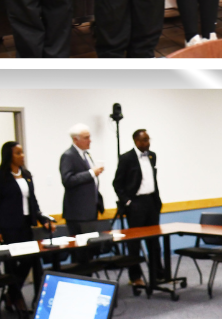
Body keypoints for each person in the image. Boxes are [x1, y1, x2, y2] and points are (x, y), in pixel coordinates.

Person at [0, 141, 53, 315]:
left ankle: (13, 294)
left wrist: (42, 218)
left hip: (26, 224)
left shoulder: (26, 174)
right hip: (8, 226)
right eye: (18, 153)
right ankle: (16, 298)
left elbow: (32, 200)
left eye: (22, 152)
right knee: (12, 263)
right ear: (9, 156)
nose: (22, 156)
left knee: (30, 260)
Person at [112, 129, 165, 292]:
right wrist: (127, 201)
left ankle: (158, 275)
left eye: (148, 140)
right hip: (135, 203)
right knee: (134, 243)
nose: (147, 143)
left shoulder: (152, 155)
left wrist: (156, 201)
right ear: (136, 141)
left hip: (151, 201)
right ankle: (135, 277)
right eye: (144, 140)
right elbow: (117, 183)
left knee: (154, 241)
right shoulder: (126, 158)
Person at [60, 124, 105, 235]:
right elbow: (67, 180)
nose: (90, 140)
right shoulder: (68, 156)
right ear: (75, 139)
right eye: (86, 138)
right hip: (78, 213)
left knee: (91, 248)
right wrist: (91, 173)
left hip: (90, 211)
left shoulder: (86, 155)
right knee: (81, 250)